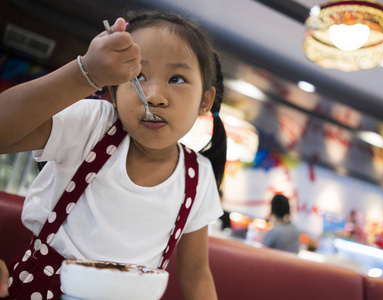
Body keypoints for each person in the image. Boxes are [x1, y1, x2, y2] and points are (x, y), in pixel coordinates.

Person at [0, 10, 227, 299]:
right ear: (114, 88)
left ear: (205, 100)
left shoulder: (199, 175)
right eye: (139, 75)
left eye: (177, 79)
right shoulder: (94, 125)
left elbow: (196, 273)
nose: (155, 96)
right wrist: (85, 73)